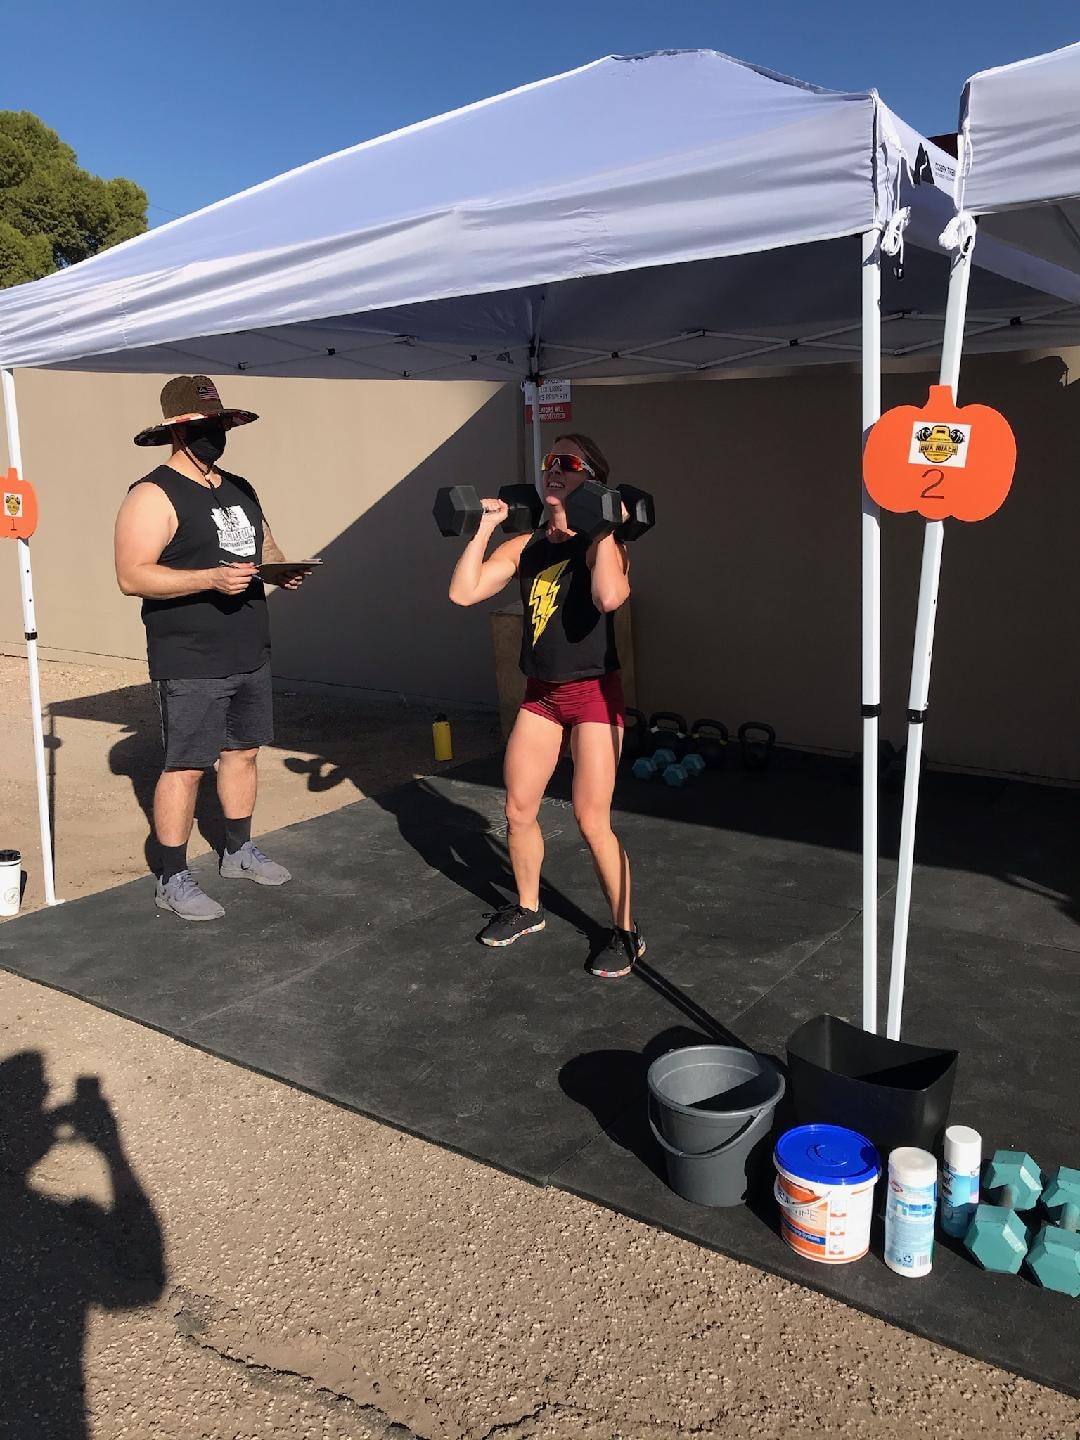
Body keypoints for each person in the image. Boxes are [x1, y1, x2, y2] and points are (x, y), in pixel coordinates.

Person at [114, 376, 312, 921]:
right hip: (190, 656)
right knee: (186, 765)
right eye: (206, 425)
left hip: (249, 647)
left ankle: (238, 851)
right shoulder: (151, 494)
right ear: (178, 430)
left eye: (221, 423)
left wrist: (282, 569)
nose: (217, 433)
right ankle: (172, 878)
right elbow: (132, 575)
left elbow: (265, 548)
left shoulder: (241, 487)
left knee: (243, 752)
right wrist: (209, 579)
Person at [449, 433, 644, 978]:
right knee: (518, 810)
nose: (553, 469)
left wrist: (604, 526)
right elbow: (464, 592)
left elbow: (610, 597)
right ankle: (529, 908)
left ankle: (626, 932)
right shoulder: (526, 545)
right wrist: (484, 528)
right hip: (541, 696)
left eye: (567, 462)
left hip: (593, 695)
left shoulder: (602, 545)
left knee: (591, 820)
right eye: (548, 461)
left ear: (592, 479)